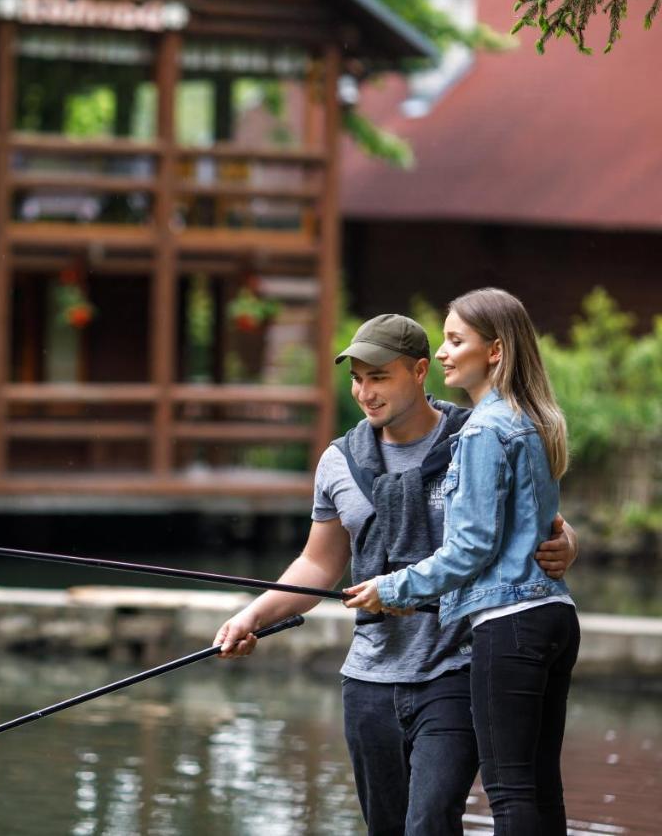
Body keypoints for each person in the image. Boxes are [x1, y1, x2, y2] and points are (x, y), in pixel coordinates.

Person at [212, 311, 578, 836]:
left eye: (379, 377)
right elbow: (317, 563)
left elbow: (535, 517)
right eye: (357, 378)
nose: (365, 392)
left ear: (421, 371)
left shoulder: (473, 434)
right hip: (370, 676)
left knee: (428, 822)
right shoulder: (339, 461)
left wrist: (568, 541)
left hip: (455, 667)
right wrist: (249, 617)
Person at [344, 289, 579, 835]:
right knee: (543, 787)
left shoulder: (480, 429)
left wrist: (394, 588)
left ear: (494, 351)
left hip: (507, 623)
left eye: (455, 341)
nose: (445, 353)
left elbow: (471, 549)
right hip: (555, 617)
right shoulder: (535, 418)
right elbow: (545, 526)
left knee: (511, 791)